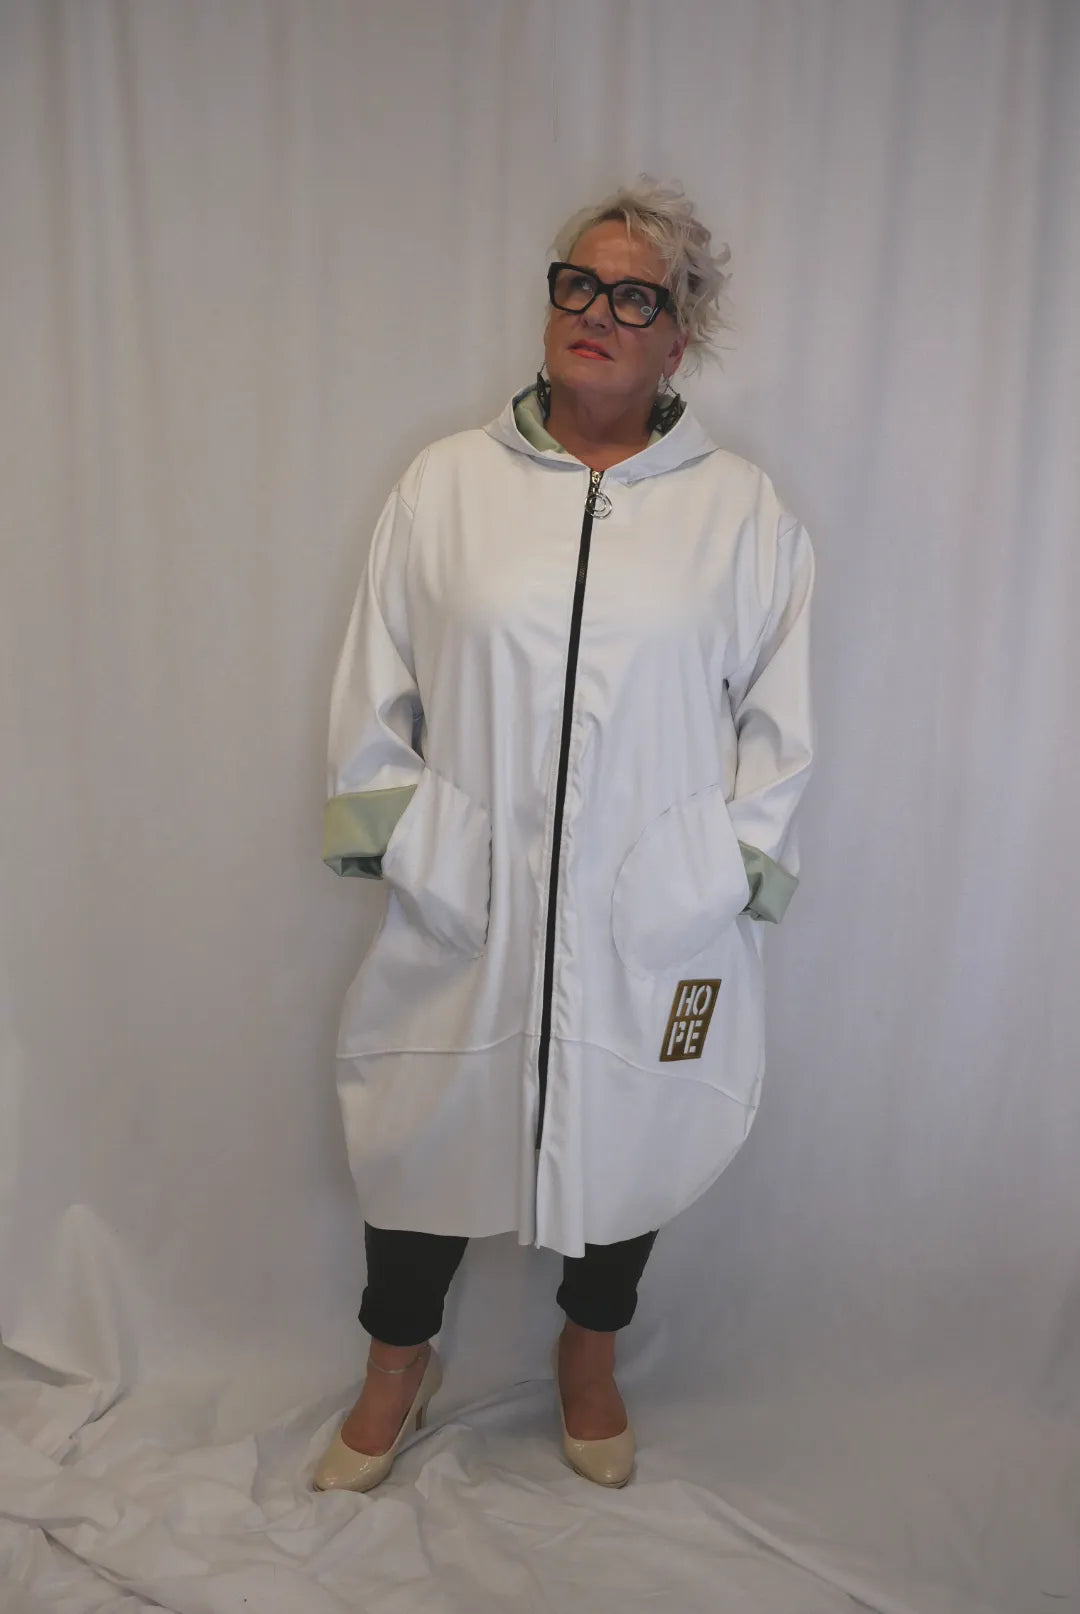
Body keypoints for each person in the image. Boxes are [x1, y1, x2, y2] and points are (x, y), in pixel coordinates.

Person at [313, 178, 814, 1493]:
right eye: (578, 284)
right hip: (466, 892)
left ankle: (590, 1354)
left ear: (678, 339)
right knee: (418, 1123)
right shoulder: (446, 485)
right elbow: (373, 686)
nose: (597, 312)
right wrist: (418, 844)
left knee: (636, 1124)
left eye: (635, 297)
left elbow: (782, 723)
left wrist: (715, 873)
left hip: (652, 904)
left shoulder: (741, 513)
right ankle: (397, 1363)